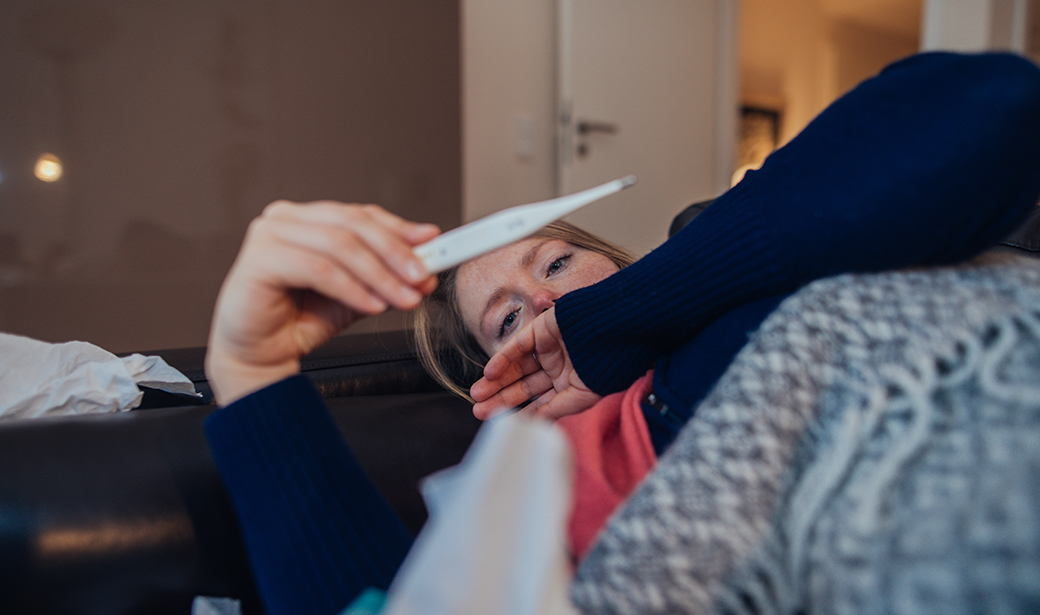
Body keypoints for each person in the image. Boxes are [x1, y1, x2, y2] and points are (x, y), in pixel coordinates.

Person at [204, 51, 1040, 615]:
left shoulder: (723, 247)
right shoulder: (552, 490)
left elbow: (996, 107)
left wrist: (622, 316)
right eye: (509, 319)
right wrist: (252, 370)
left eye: (558, 262)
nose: (545, 301)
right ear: (496, 381)